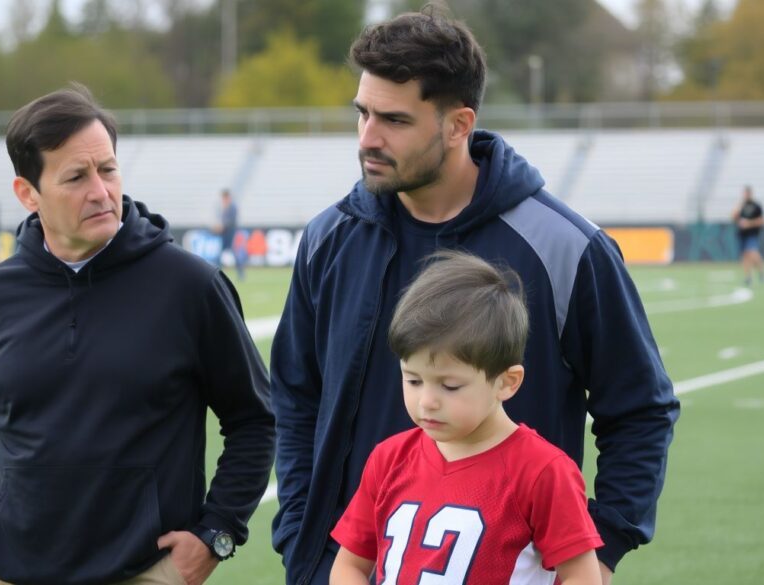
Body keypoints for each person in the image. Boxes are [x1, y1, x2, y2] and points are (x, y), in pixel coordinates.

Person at [270, 6, 679, 585]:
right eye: (361, 113)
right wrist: (299, 537)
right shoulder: (327, 239)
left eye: (394, 119)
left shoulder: (565, 247)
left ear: (459, 124)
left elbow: (641, 409)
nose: (368, 138)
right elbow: (294, 396)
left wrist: (599, 549)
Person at [0, 84, 275, 585]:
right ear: (28, 194)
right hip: (9, 573)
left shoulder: (189, 286)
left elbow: (255, 421)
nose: (101, 191)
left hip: (146, 572)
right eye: (76, 176)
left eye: (108, 169)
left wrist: (216, 534)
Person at [330, 251, 603, 585]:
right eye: (413, 380)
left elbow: (581, 577)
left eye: (450, 385)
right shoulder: (388, 458)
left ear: (507, 382)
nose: (427, 402)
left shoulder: (543, 472)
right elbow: (350, 566)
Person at [731, 185, 764, 287]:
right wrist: (737, 208)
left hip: (752, 233)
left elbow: (762, 221)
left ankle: (762, 272)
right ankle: (748, 277)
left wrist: (749, 223)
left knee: (753, 253)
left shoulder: (756, 206)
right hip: (742, 234)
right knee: (745, 256)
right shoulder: (741, 206)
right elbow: (733, 217)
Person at [214, 188, 245, 281]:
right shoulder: (225, 207)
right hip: (225, 233)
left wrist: (223, 227)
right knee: (222, 254)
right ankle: (218, 273)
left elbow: (231, 221)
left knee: (232, 253)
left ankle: (240, 273)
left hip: (230, 233)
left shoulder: (232, 207)